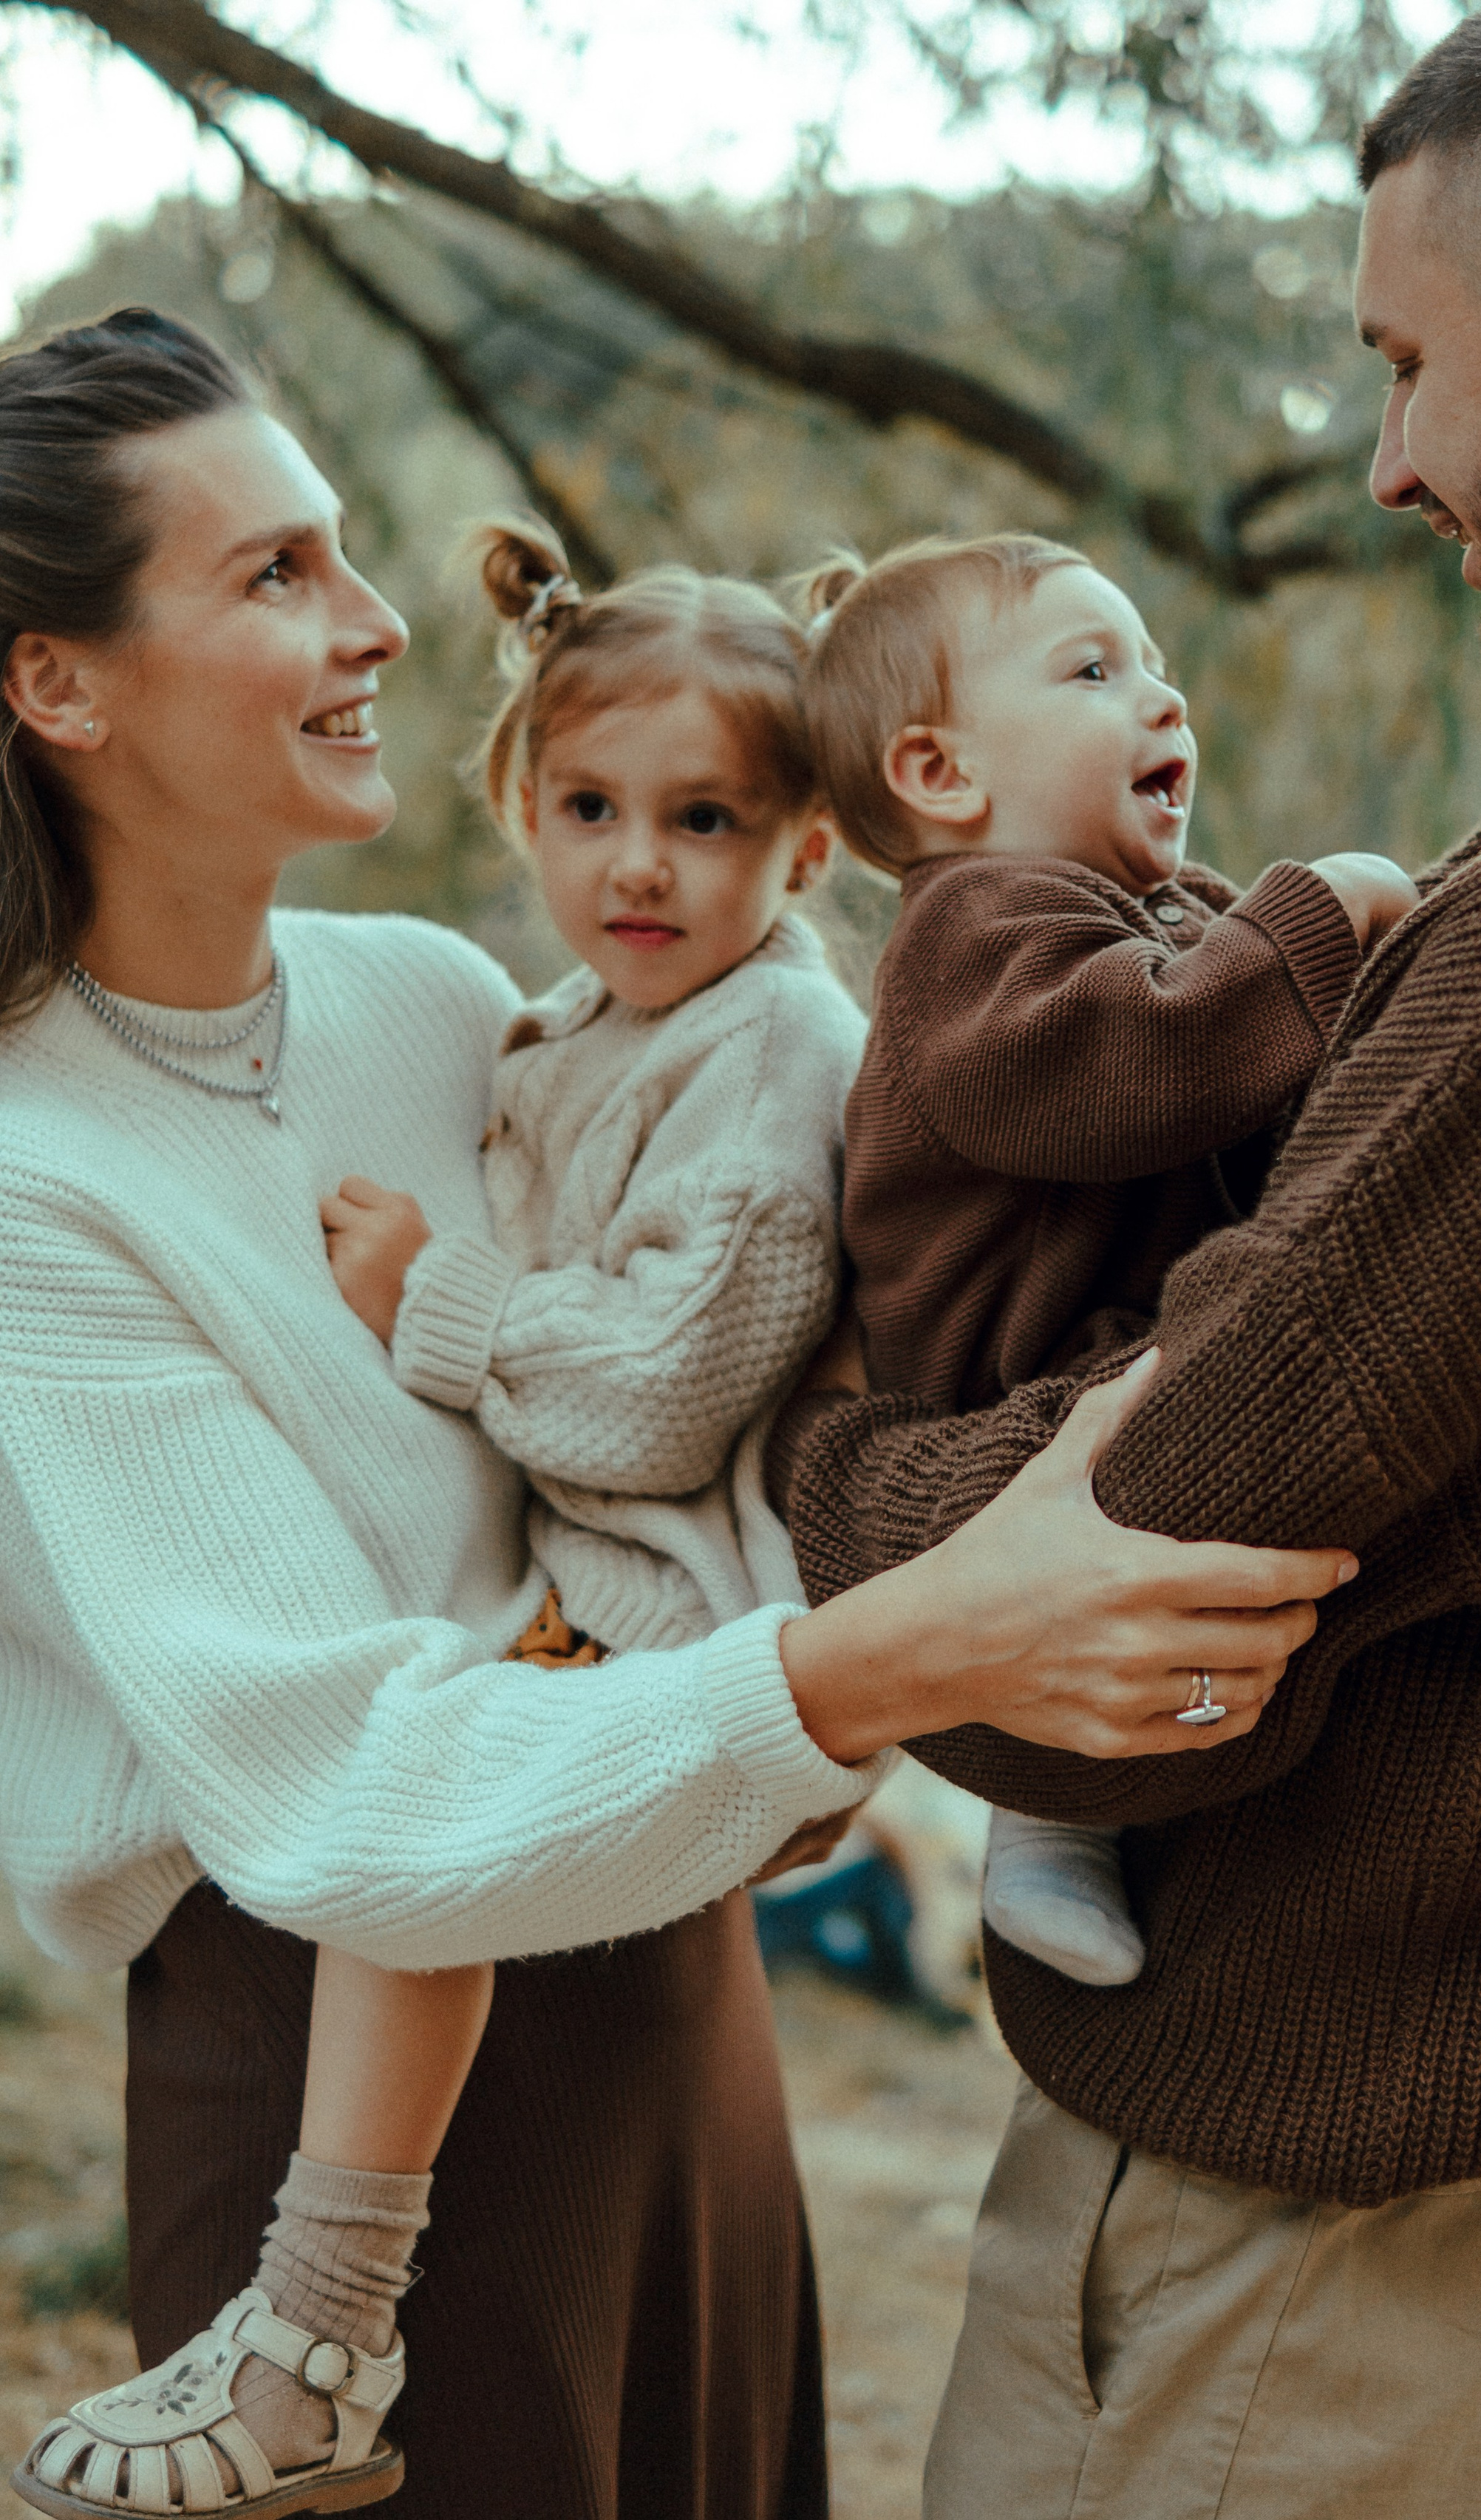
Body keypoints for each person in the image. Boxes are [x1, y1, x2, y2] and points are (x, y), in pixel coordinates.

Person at [0, 308, 1355, 2520]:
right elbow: (350, 1784)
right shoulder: (31, 1190)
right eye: (273, 578)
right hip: (322, 2090)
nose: (370, 625)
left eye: (348, 555)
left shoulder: (449, 1008)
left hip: (676, 1961)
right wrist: (917, 1641)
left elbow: (751, 1337)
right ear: (58, 682)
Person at [774, 1, 1481, 2510]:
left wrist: (809, 1438)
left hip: (1347, 2185)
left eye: (1405, 362)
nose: (1385, 458)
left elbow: (1111, 1628)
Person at [800, 532, 1414, 1983]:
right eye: (1093, 669)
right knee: (1136, 1554)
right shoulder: (967, 936)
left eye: (1157, 667)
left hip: (1109, 1355)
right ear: (940, 776)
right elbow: (1133, 1064)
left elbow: (1246, 1037)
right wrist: (1329, 907)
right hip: (1010, 1389)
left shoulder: (1148, 916)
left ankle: (1063, 1805)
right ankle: (1047, 1799)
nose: (1163, 701)